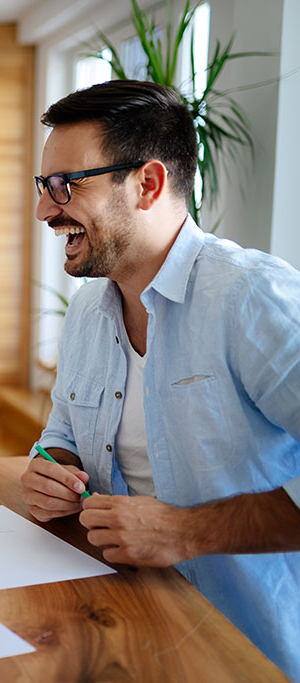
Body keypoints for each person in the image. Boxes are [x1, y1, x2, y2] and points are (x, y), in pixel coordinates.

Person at [20, 79, 300, 679]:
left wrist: (187, 532)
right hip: (120, 625)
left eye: (66, 185)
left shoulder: (255, 300)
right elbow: (63, 429)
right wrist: (54, 464)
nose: (46, 209)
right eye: (44, 187)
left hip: (245, 651)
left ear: (146, 184)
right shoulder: (87, 313)